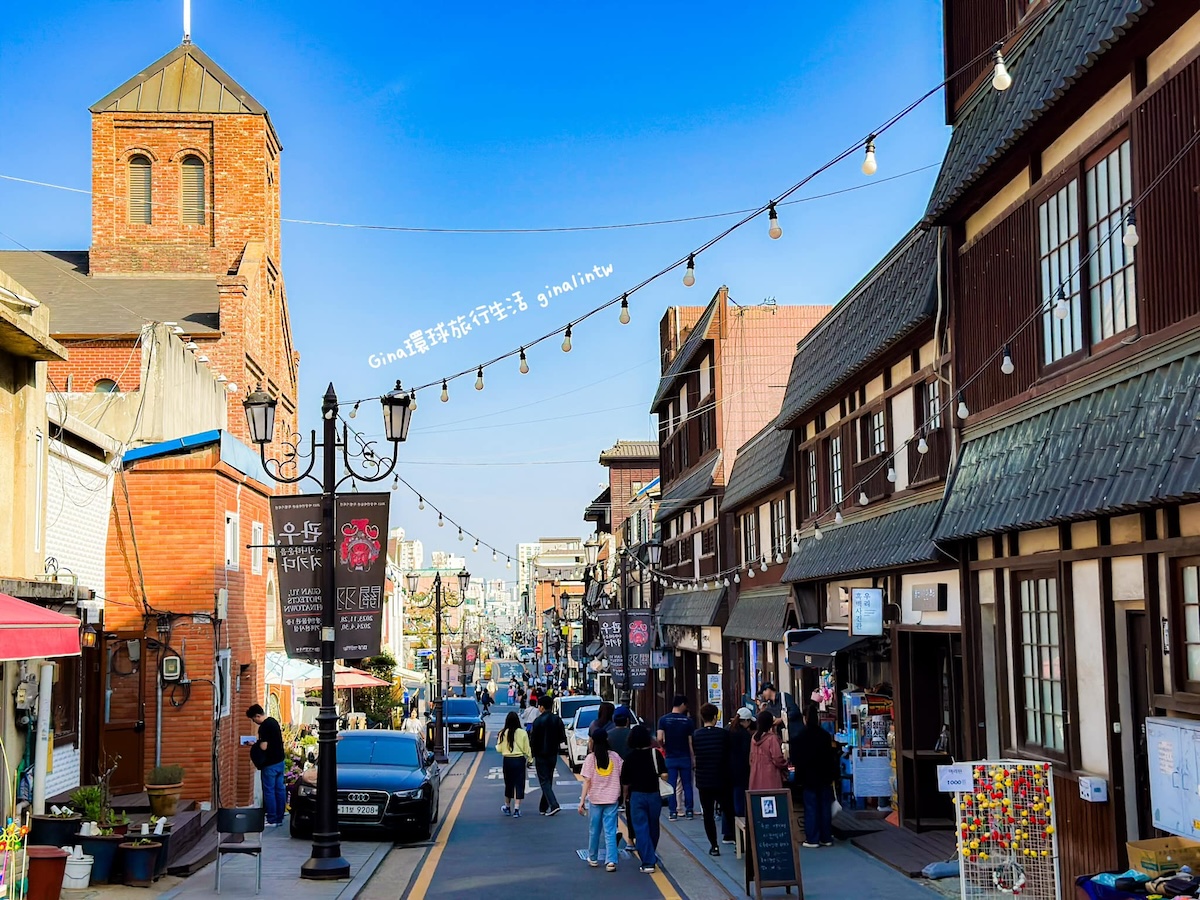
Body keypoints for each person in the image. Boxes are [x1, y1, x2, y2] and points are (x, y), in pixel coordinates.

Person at [621, 724, 667, 874]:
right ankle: (650, 853)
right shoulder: (656, 754)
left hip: (637, 796)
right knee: (653, 826)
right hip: (654, 795)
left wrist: (625, 797)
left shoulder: (629, 758)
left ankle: (648, 861)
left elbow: (625, 782)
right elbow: (664, 774)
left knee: (641, 828)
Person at [792, 703, 838, 848]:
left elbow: (796, 759)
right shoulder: (825, 736)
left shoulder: (800, 736)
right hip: (824, 776)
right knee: (825, 807)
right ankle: (826, 837)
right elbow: (831, 757)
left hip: (808, 777)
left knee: (811, 807)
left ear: (805, 718)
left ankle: (812, 839)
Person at [579, 730, 624, 871]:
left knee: (594, 830)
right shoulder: (615, 757)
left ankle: (593, 857)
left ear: (593, 742)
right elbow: (622, 774)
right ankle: (611, 861)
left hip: (595, 799)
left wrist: (582, 802)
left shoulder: (590, 759)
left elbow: (586, 781)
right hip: (612, 799)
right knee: (610, 830)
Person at [692, 703, 733, 854]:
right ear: (715, 717)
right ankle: (736, 840)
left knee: (708, 814)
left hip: (703, 780)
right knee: (729, 811)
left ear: (702, 717)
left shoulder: (696, 735)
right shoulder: (723, 734)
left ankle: (714, 845)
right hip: (722, 779)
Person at [656, 695, 695, 821]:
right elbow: (690, 742)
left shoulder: (663, 720)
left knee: (671, 784)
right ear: (682, 704)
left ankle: (673, 812)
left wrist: (664, 747)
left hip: (670, 756)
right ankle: (689, 810)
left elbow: (659, 738)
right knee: (687, 784)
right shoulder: (687, 721)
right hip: (684, 756)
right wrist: (693, 757)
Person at [246, 704, 286, 826]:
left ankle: (271, 819)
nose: (255, 722)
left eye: (254, 719)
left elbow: (264, 747)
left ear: (257, 716)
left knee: (269, 791)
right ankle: (280, 817)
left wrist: (254, 745)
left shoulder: (264, 727)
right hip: (280, 761)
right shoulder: (273, 722)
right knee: (280, 790)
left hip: (270, 764)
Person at [529, 695, 566, 815]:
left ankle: (554, 804)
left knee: (544, 781)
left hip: (540, 754)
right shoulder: (557, 720)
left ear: (542, 707)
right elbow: (562, 738)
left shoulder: (538, 721)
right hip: (552, 754)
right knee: (548, 779)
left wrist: (531, 756)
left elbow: (532, 740)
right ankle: (543, 807)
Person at [497, 711, 533, 818]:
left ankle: (507, 807)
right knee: (519, 784)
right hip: (519, 760)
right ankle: (517, 809)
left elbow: (499, 749)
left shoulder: (502, 733)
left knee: (508, 784)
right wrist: (530, 759)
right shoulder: (522, 733)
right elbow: (527, 748)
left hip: (507, 760)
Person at [725, 706, 755, 835]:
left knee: (728, 802)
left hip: (727, 771)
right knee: (739, 803)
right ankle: (740, 834)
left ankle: (728, 832)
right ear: (746, 721)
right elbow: (747, 754)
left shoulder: (727, 730)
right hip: (741, 772)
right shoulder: (744, 735)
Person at [749, 709, 789, 790]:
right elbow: (778, 759)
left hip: (755, 776)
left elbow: (751, 758)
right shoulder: (772, 738)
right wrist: (786, 763)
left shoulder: (754, 738)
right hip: (771, 777)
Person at [758, 682, 803, 747]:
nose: (762, 695)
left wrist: (782, 719)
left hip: (796, 736)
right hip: (783, 740)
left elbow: (795, 711)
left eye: (763, 692)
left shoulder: (784, 697)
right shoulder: (769, 706)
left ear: (768, 689)